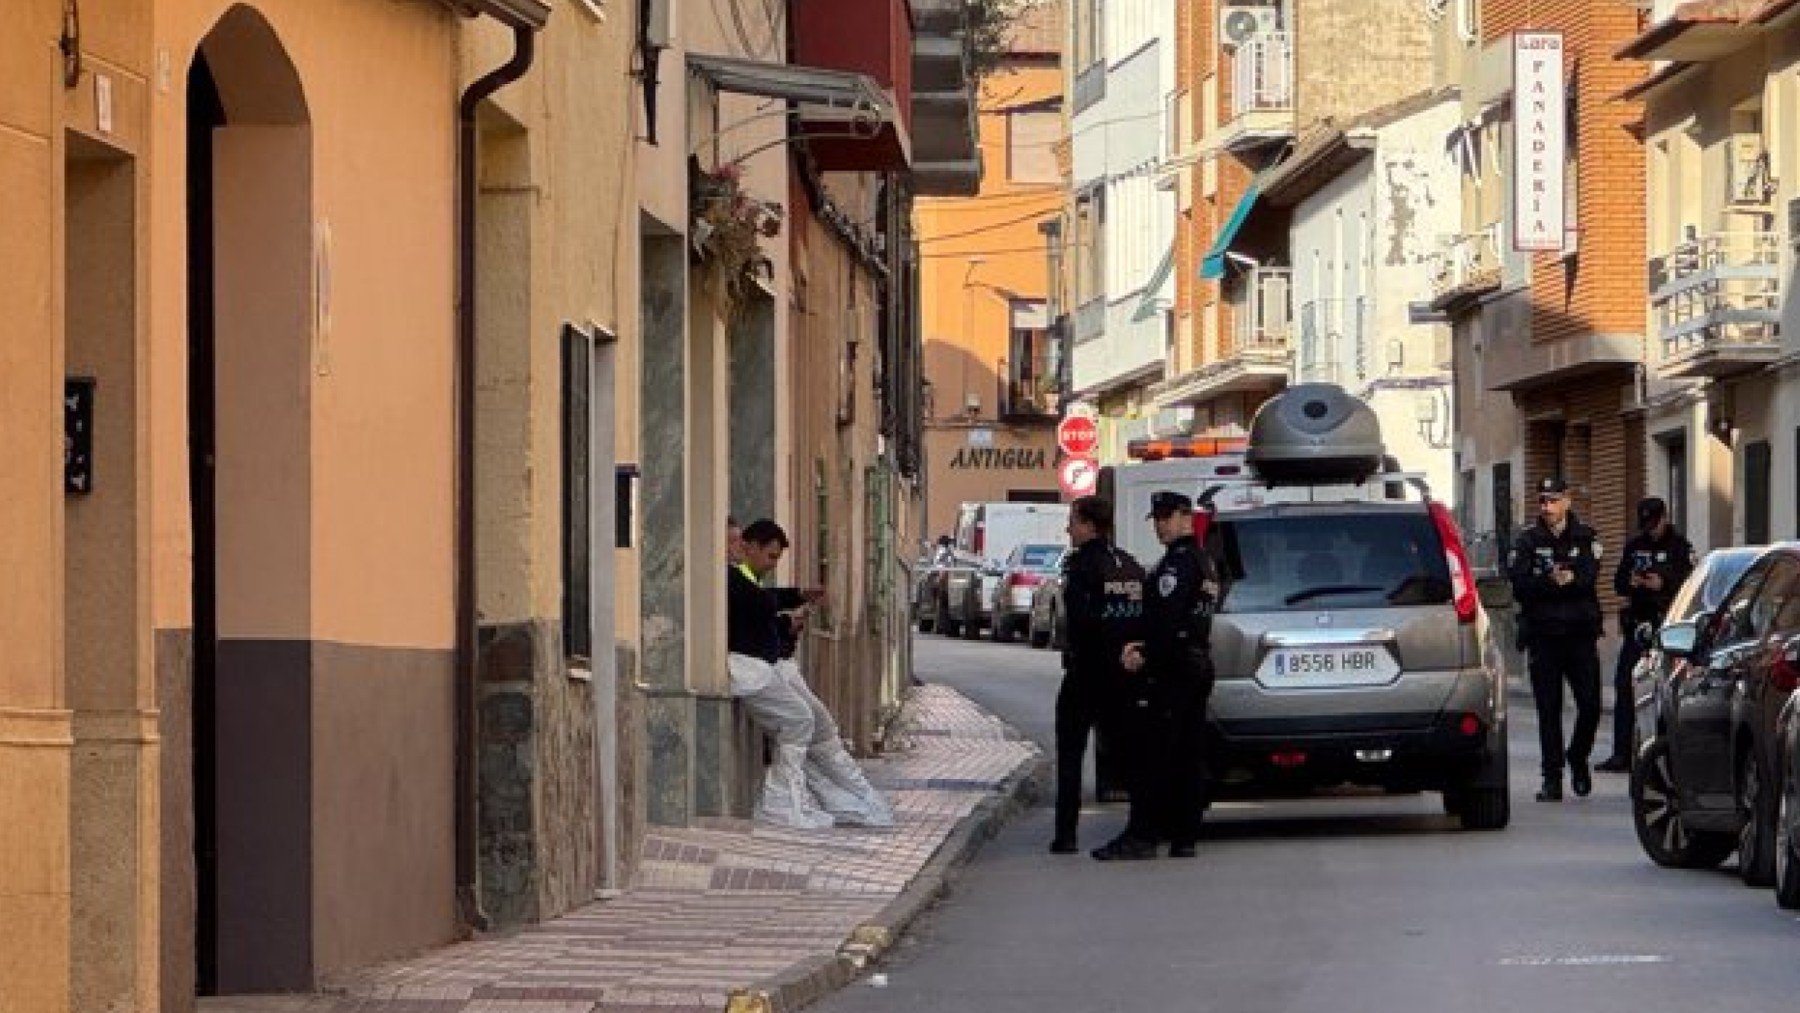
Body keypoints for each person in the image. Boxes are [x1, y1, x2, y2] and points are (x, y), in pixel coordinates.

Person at [728, 519, 894, 829]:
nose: (734, 548)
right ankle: (783, 801)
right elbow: (759, 607)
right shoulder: (732, 579)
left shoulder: (748, 579)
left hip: (770, 667)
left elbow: (764, 609)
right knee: (800, 722)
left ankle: (850, 797)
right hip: (752, 671)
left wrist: (794, 607)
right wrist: (789, 612)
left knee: (819, 726)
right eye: (770, 555)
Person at [1095, 491, 1219, 861]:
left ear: (1186, 517)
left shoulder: (1177, 566)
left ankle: (1143, 835)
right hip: (1194, 664)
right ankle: (1184, 836)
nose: (1161, 525)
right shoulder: (1204, 561)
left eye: (1167, 517)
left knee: (1152, 755)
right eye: (1158, 518)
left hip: (1173, 669)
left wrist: (1143, 655)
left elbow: (1167, 622)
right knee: (1186, 754)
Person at [1049, 495, 1143, 855]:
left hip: (1087, 673)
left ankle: (1066, 835)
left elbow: (1081, 622)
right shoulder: (1129, 565)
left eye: (1072, 521)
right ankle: (1142, 825)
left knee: (1071, 754)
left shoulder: (1082, 568)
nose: (1068, 528)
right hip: (1125, 672)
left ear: (1089, 525)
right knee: (1131, 754)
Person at [1507, 477, 1604, 802]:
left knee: (1590, 706)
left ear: (1567, 501)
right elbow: (1520, 585)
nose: (1546, 507)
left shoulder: (1586, 538)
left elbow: (1589, 579)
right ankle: (1552, 777)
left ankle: (1577, 756)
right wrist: (1551, 582)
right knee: (1549, 711)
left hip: (1579, 635)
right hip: (1544, 636)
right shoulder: (1528, 542)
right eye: (1542, 501)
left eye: (1552, 500)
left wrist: (1570, 580)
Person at [1598, 497, 1694, 773]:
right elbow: (1617, 583)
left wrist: (1663, 584)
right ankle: (1621, 753)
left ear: (1665, 518)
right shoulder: (1635, 546)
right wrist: (1631, 581)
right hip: (1638, 628)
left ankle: (1665, 755)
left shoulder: (1680, 547)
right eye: (1646, 525)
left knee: (1666, 689)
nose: (1650, 530)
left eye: (1654, 524)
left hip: (1668, 627)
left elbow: (1689, 584)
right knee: (1625, 686)